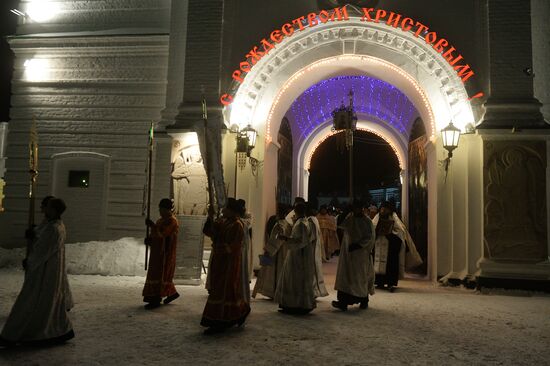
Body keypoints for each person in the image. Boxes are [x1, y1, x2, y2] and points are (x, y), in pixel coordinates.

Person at [0, 198, 74, 348]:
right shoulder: (50, 224)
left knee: (35, 300)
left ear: (53, 209)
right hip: (43, 268)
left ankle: (22, 333)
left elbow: (43, 250)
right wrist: (33, 232)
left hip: (45, 270)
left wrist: (30, 261)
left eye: (46, 206)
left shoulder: (55, 228)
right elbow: (41, 233)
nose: (43, 209)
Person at [201, 198, 250, 334]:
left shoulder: (237, 225)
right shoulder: (223, 222)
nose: (223, 211)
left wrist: (219, 246)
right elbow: (210, 232)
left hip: (229, 263)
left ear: (232, 210)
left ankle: (219, 321)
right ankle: (240, 312)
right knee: (223, 291)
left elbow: (233, 247)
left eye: (226, 208)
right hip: (219, 261)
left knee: (224, 291)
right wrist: (210, 217)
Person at [332, 200, 375, 311]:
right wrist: (346, 211)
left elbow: (370, 238)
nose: (356, 211)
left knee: (359, 278)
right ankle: (343, 302)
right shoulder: (349, 219)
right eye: (354, 208)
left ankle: (364, 300)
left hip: (360, 255)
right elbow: (339, 223)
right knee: (345, 277)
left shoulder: (367, 221)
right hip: (347, 254)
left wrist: (358, 245)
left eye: (358, 208)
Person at [275, 203, 317, 315]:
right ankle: (295, 304)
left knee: (294, 279)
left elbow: (300, 241)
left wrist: (285, 238)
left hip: (298, 256)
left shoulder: (301, 224)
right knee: (297, 279)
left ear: (296, 211)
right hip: (300, 255)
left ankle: (295, 305)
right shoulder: (305, 222)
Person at [373, 201, 422, 292]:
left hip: (390, 246)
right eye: (382, 208)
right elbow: (372, 228)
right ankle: (379, 282)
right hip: (379, 243)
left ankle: (390, 283)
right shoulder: (377, 217)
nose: (383, 210)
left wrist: (390, 234)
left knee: (391, 264)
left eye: (385, 209)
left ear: (389, 209)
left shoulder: (394, 217)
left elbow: (400, 231)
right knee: (377, 262)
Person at [142, 198, 180, 309]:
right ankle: (171, 293)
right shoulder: (160, 221)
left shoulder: (172, 221)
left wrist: (153, 226)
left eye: (162, 209)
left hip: (165, 254)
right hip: (157, 253)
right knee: (155, 274)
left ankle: (156, 299)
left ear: (168, 209)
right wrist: (150, 240)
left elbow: (164, 234)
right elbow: (155, 235)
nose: (160, 211)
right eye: (159, 209)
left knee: (161, 275)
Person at [252, 204, 291, 299]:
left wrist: (268, 250)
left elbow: (276, 240)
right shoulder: (288, 224)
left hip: (276, 251)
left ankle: (275, 292)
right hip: (285, 251)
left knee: (274, 271)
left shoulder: (279, 225)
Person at [307, 205, 329, 298]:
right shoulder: (315, 219)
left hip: (311, 248)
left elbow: (310, 237)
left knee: (311, 270)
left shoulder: (310, 220)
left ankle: (313, 291)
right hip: (315, 247)